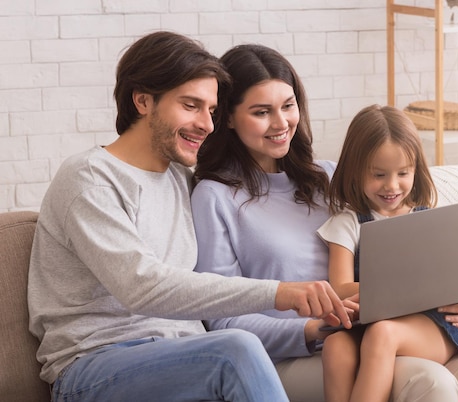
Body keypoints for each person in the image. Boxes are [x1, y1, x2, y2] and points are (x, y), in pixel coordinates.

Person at [192, 44, 458, 401]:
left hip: (377, 333)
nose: (281, 123)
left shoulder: (329, 178)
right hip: (298, 354)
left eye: (288, 105)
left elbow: (403, 253)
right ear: (228, 117)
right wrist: (313, 328)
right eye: (262, 112)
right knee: (429, 382)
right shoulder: (214, 197)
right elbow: (223, 321)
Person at [27, 31, 353, 402]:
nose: (208, 124)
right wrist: (281, 294)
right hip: (97, 365)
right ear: (143, 100)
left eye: (212, 110)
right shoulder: (90, 178)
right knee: (236, 350)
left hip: (186, 357)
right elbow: (142, 286)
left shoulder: (183, 180)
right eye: (190, 106)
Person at [317, 104, 458, 402]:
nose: (391, 185)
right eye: (378, 174)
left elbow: (455, 283)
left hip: (429, 328)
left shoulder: (428, 220)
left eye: (403, 173)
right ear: (355, 171)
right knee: (335, 346)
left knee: (383, 334)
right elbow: (339, 289)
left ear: (416, 170)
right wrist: (405, 292)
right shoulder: (347, 224)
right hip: (364, 326)